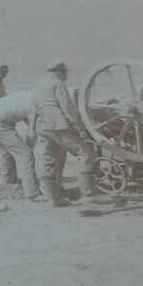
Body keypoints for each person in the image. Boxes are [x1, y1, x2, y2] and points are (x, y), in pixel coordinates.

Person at [30, 59, 97, 206]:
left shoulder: (39, 85)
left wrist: (32, 129)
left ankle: (52, 199)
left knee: (48, 159)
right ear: (58, 72)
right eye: (65, 72)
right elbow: (67, 107)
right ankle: (88, 195)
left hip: (42, 125)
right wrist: (80, 128)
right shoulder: (58, 84)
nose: (66, 74)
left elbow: (33, 108)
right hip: (57, 124)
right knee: (86, 154)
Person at [0, 90, 42, 200]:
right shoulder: (36, 103)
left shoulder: (28, 96)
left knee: (6, 152)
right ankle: (32, 193)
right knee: (25, 154)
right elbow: (32, 131)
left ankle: (7, 183)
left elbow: (27, 121)